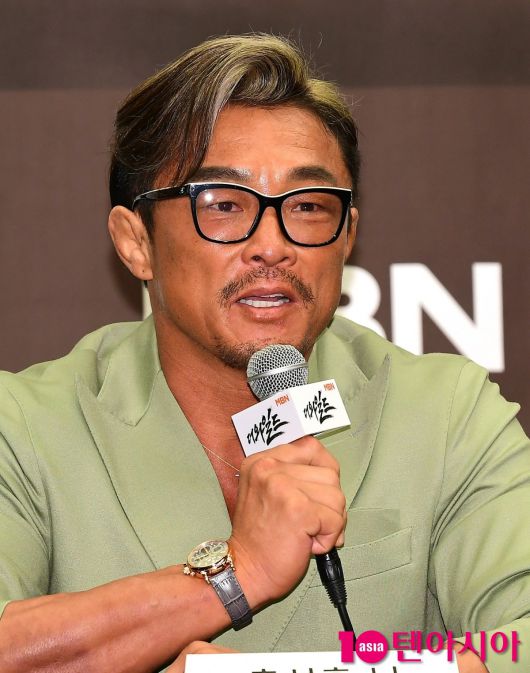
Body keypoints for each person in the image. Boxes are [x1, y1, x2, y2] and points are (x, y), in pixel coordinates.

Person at [0, 34, 528, 673]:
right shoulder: (24, 427)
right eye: (223, 205)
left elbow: (518, 641)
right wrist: (235, 573)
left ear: (347, 237)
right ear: (136, 241)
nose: (273, 245)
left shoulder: (445, 412)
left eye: (307, 206)